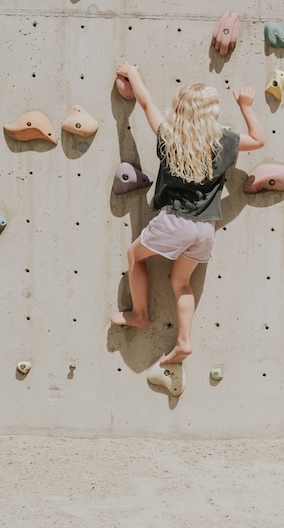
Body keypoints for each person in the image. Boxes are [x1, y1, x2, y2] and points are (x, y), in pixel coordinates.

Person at [110, 63, 265, 366]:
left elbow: (146, 103)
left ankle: (140, 314)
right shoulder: (225, 142)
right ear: (212, 113)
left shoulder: (169, 135)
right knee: (181, 283)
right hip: (205, 229)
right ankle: (184, 342)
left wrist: (133, 73)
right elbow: (258, 139)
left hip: (174, 222)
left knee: (134, 255)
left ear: (180, 109)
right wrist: (245, 106)